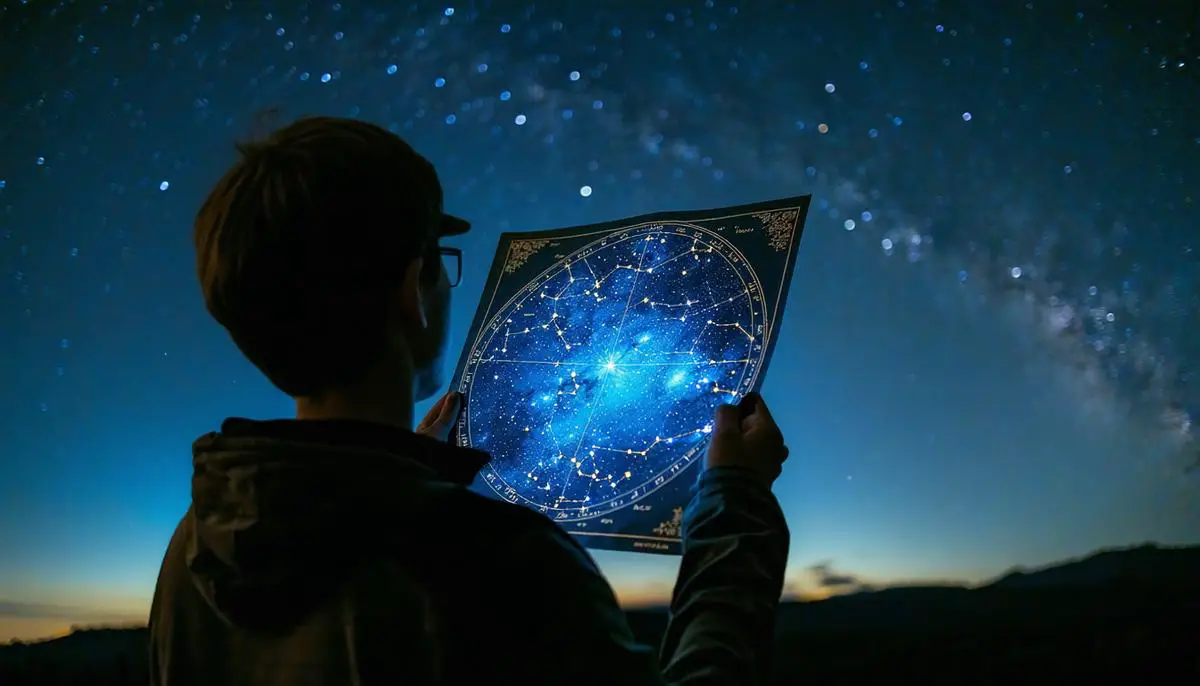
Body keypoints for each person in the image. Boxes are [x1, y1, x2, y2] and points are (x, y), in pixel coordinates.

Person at [148, 116, 791, 686]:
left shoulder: (195, 550)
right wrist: (736, 501)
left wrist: (408, 469)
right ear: (412, 289)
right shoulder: (502, 566)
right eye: (439, 259)